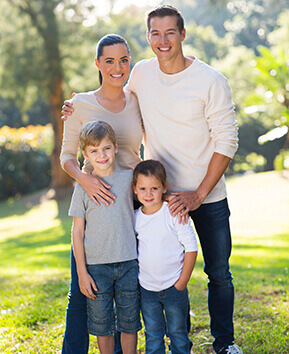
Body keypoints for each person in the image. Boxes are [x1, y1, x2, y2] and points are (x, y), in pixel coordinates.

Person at [61, 5, 242, 353]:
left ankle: (216, 343)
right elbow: (81, 137)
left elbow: (225, 140)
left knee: (207, 273)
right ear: (148, 38)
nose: (163, 40)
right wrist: (76, 112)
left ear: (182, 35)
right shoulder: (126, 82)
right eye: (155, 34)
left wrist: (197, 194)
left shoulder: (197, 82)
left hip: (180, 197)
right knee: (122, 280)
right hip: (131, 198)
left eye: (170, 32)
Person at [60, 34, 143, 354]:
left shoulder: (138, 99)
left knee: (130, 291)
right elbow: (67, 155)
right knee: (84, 291)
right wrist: (85, 179)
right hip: (94, 201)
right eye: (109, 60)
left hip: (133, 202)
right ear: (97, 64)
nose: (117, 67)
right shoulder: (79, 103)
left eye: (124, 59)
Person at [68, 120, 141, 354]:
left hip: (129, 263)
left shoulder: (129, 179)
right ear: (85, 154)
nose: (102, 155)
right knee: (102, 327)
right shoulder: (82, 188)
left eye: (106, 148)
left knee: (130, 322)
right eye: (94, 150)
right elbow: (77, 232)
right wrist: (81, 272)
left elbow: (152, 196)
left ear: (116, 147)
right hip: (96, 268)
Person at [132, 160, 198, 353]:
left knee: (178, 332)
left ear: (164, 188)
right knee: (153, 334)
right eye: (143, 188)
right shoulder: (135, 217)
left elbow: (191, 247)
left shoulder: (174, 213)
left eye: (154, 188)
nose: (148, 193)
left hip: (174, 287)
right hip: (147, 289)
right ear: (134, 189)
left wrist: (182, 282)